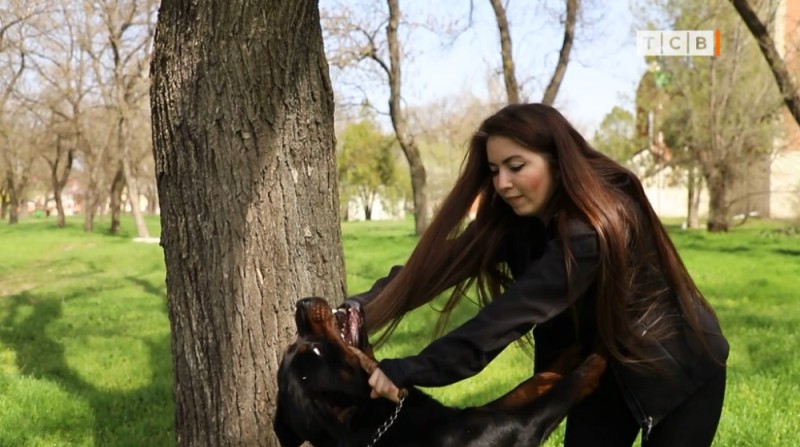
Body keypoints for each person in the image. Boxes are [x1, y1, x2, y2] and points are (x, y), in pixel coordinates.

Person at [345, 103, 728, 446]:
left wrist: (409, 369)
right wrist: (360, 307)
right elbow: (434, 267)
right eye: (494, 171)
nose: (501, 184)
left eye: (516, 166)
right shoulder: (514, 221)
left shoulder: (592, 228)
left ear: (558, 162)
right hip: (600, 366)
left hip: (678, 366)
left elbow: (506, 318)